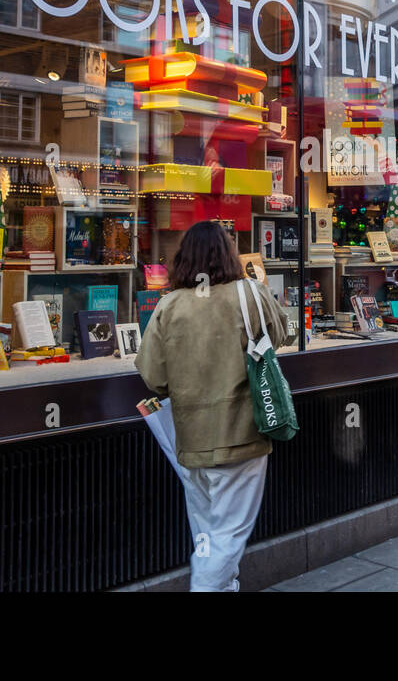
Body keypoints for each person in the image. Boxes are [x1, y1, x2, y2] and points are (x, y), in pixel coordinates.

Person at [135, 220, 288, 591]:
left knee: (207, 537)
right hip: (241, 436)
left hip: (190, 442)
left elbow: (153, 376)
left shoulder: (168, 305)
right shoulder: (249, 293)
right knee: (227, 538)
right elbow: (282, 334)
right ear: (228, 254)